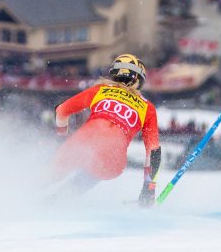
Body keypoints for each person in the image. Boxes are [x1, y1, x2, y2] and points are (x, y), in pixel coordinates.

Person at [50, 54, 162, 204]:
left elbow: (61, 111)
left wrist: (62, 136)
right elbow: (153, 151)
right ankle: (58, 200)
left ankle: (23, 195)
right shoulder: (148, 107)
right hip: (113, 159)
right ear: (139, 80)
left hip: (84, 141)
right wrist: (149, 188)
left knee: (50, 175)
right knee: (91, 173)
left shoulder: (100, 90)